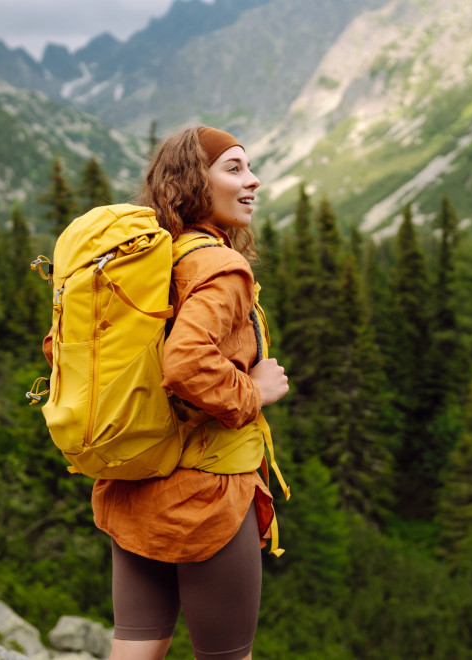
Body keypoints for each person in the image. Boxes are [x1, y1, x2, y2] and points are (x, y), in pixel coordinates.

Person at [95, 126, 290, 660]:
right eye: (233, 169)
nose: (252, 181)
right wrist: (253, 391)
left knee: (137, 647)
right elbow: (184, 363)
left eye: (248, 168)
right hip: (207, 496)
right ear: (192, 182)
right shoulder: (219, 267)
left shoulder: (149, 260)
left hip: (137, 482)